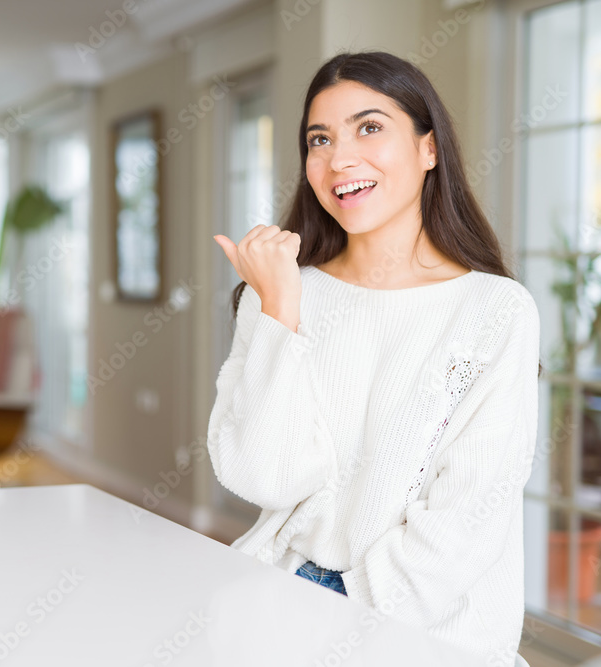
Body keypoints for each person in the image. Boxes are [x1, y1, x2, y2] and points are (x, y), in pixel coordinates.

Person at [207, 50, 541, 667]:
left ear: (429, 147)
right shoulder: (279, 290)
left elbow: (472, 511)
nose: (340, 159)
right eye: (319, 138)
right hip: (284, 600)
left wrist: (348, 612)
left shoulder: (496, 310)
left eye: (369, 127)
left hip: (425, 633)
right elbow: (263, 476)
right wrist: (280, 305)